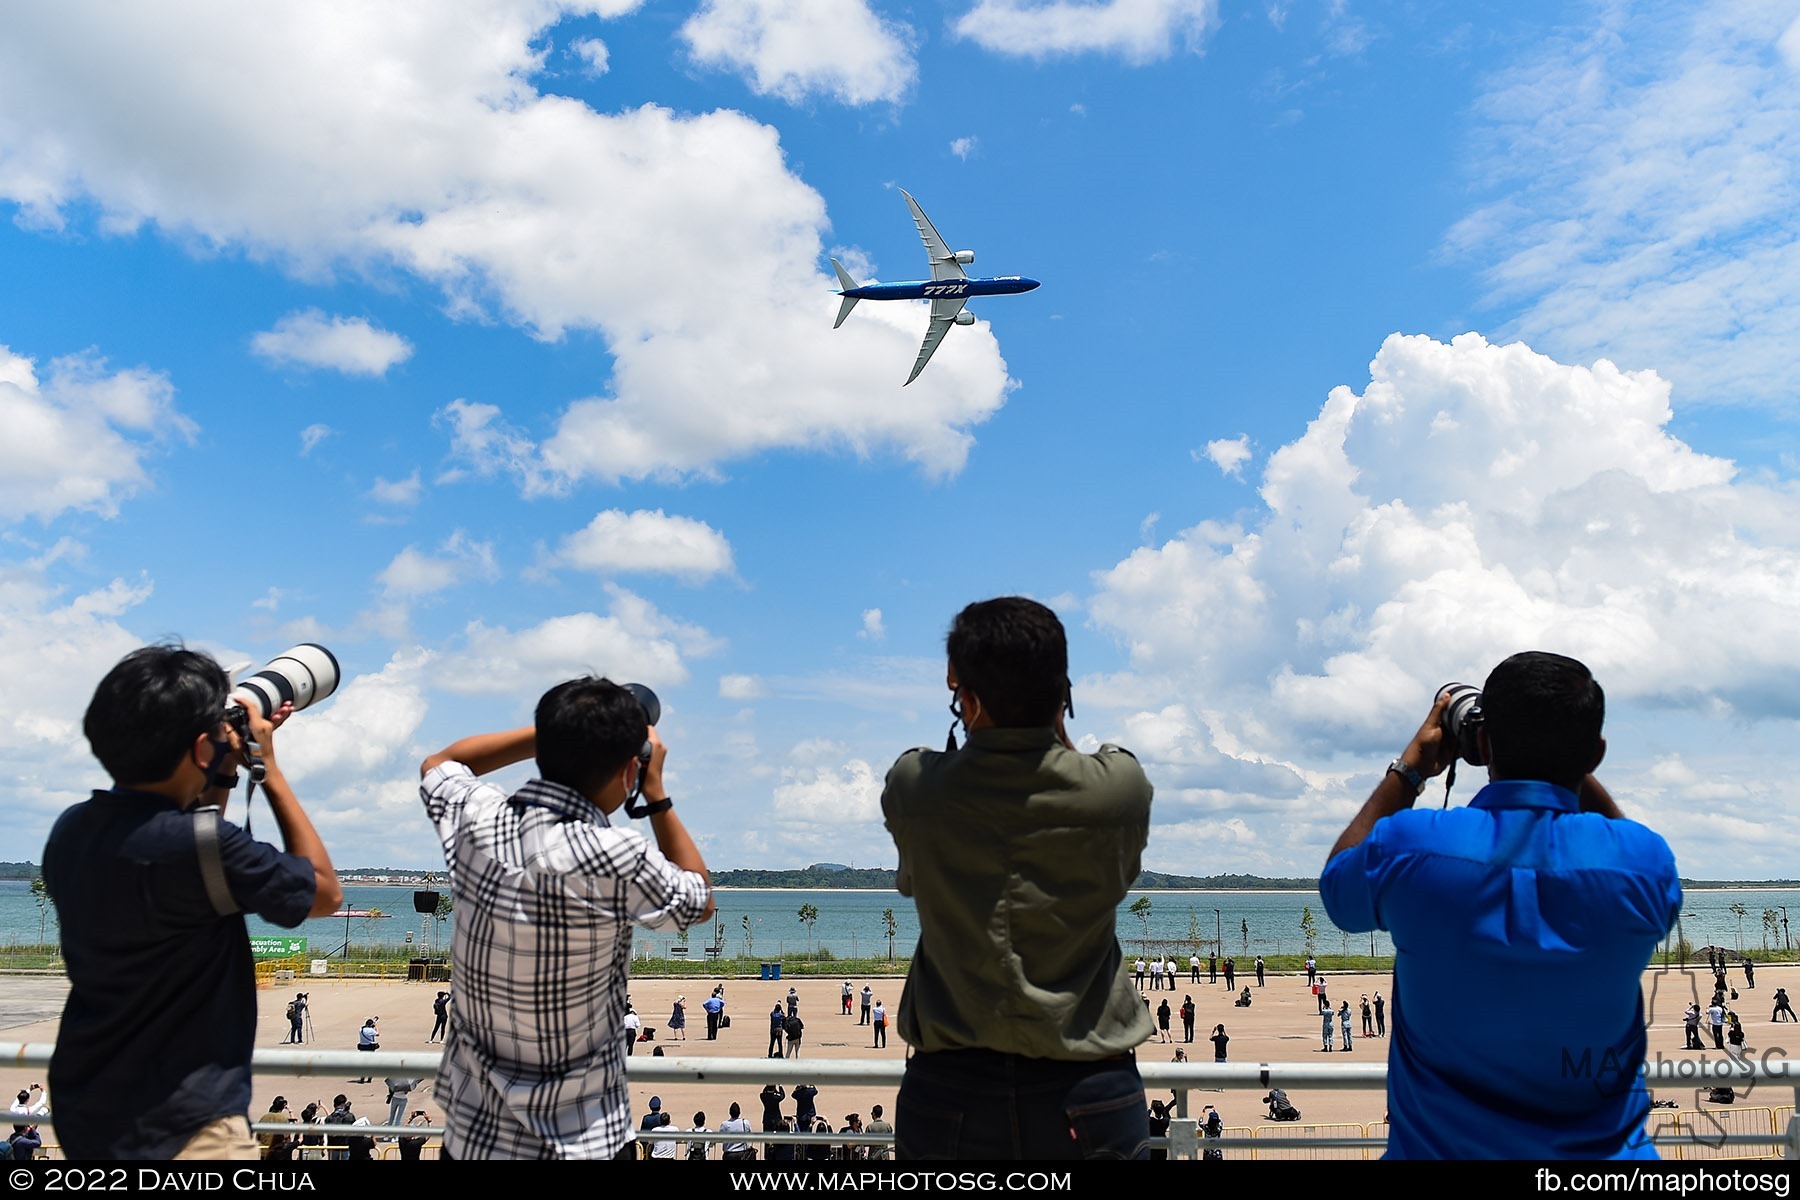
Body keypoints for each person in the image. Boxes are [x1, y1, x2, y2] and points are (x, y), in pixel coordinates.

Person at [1320, 652, 1681, 1159]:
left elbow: (1339, 890)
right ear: (1595, 755)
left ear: (1483, 743)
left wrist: (1410, 769)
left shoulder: (1411, 846)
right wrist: (1568, 762)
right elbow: (1632, 856)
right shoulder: (1642, 863)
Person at [43, 645, 342, 1159]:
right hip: (189, 1127)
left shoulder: (73, 829)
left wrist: (222, 769)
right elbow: (323, 892)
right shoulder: (201, 847)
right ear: (201, 747)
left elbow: (196, 844)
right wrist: (266, 764)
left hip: (89, 1108)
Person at [881, 597, 1154, 1159]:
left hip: (950, 1087)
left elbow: (911, 870)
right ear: (1062, 691)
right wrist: (1053, 719)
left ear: (964, 692)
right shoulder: (1119, 788)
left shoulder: (915, 787)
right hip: (1088, 1084)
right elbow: (1120, 869)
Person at [419, 675, 713, 1159]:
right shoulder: (616, 855)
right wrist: (656, 793)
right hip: (583, 1140)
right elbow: (698, 900)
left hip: (475, 1140)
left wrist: (562, 732)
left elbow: (441, 763)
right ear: (629, 769)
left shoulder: (477, 819)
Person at [257, 1097, 294, 1162]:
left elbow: (258, 1136)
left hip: (265, 1151)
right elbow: (287, 1136)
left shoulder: (264, 1117)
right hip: (277, 1153)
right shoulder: (283, 1118)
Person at [355, 1017, 379, 1082]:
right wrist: (375, 1026)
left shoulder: (361, 1029)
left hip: (363, 1047)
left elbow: (364, 1028)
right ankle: (369, 1079)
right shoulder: (371, 1030)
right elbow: (377, 1034)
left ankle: (362, 1078)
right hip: (370, 1047)